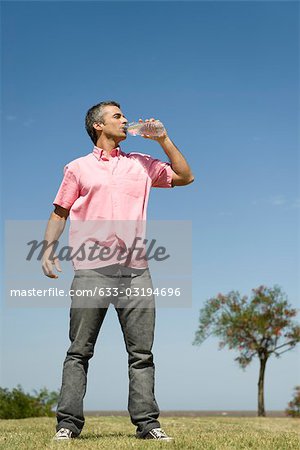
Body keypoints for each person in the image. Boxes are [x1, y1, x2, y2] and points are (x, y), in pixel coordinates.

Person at [42, 101, 194, 441]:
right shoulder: (78, 168)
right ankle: (68, 424)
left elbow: (186, 176)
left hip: (136, 272)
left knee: (141, 354)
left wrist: (164, 140)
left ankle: (148, 425)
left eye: (124, 116)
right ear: (98, 126)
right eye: (117, 116)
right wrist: (48, 250)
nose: (125, 120)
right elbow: (59, 212)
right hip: (91, 271)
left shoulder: (141, 164)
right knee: (79, 352)